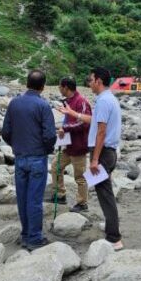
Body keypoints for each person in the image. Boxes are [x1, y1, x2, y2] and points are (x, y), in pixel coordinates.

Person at [61, 66, 124, 251]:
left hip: (103, 152)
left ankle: (114, 238)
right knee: (104, 190)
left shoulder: (104, 101)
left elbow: (101, 131)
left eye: (90, 80)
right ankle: (111, 225)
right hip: (108, 152)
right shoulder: (108, 98)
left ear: (99, 81)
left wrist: (95, 159)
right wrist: (73, 114)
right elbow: (94, 120)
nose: (89, 83)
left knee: (105, 193)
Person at [1, 70, 57, 250]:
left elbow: (6, 131)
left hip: (20, 157)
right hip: (37, 157)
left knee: (22, 198)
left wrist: (16, 145)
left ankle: (26, 233)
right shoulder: (43, 105)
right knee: (34, 199)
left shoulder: (14, 103)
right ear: (43, 86)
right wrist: (46, 149)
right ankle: (34, 238)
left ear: (26, 84)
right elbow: (50, 135)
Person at [51, 77, 92, 213]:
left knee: (80, 177)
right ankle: (60, 195)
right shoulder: (68, 101)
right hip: (67, 144)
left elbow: (84, 123)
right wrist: (64, 128)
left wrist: (65, 128)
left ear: (66, 88)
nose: (59, 89)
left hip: (79, 146)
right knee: (55, 167)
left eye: (60, 86)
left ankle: (82, 203)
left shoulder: (81, 101)